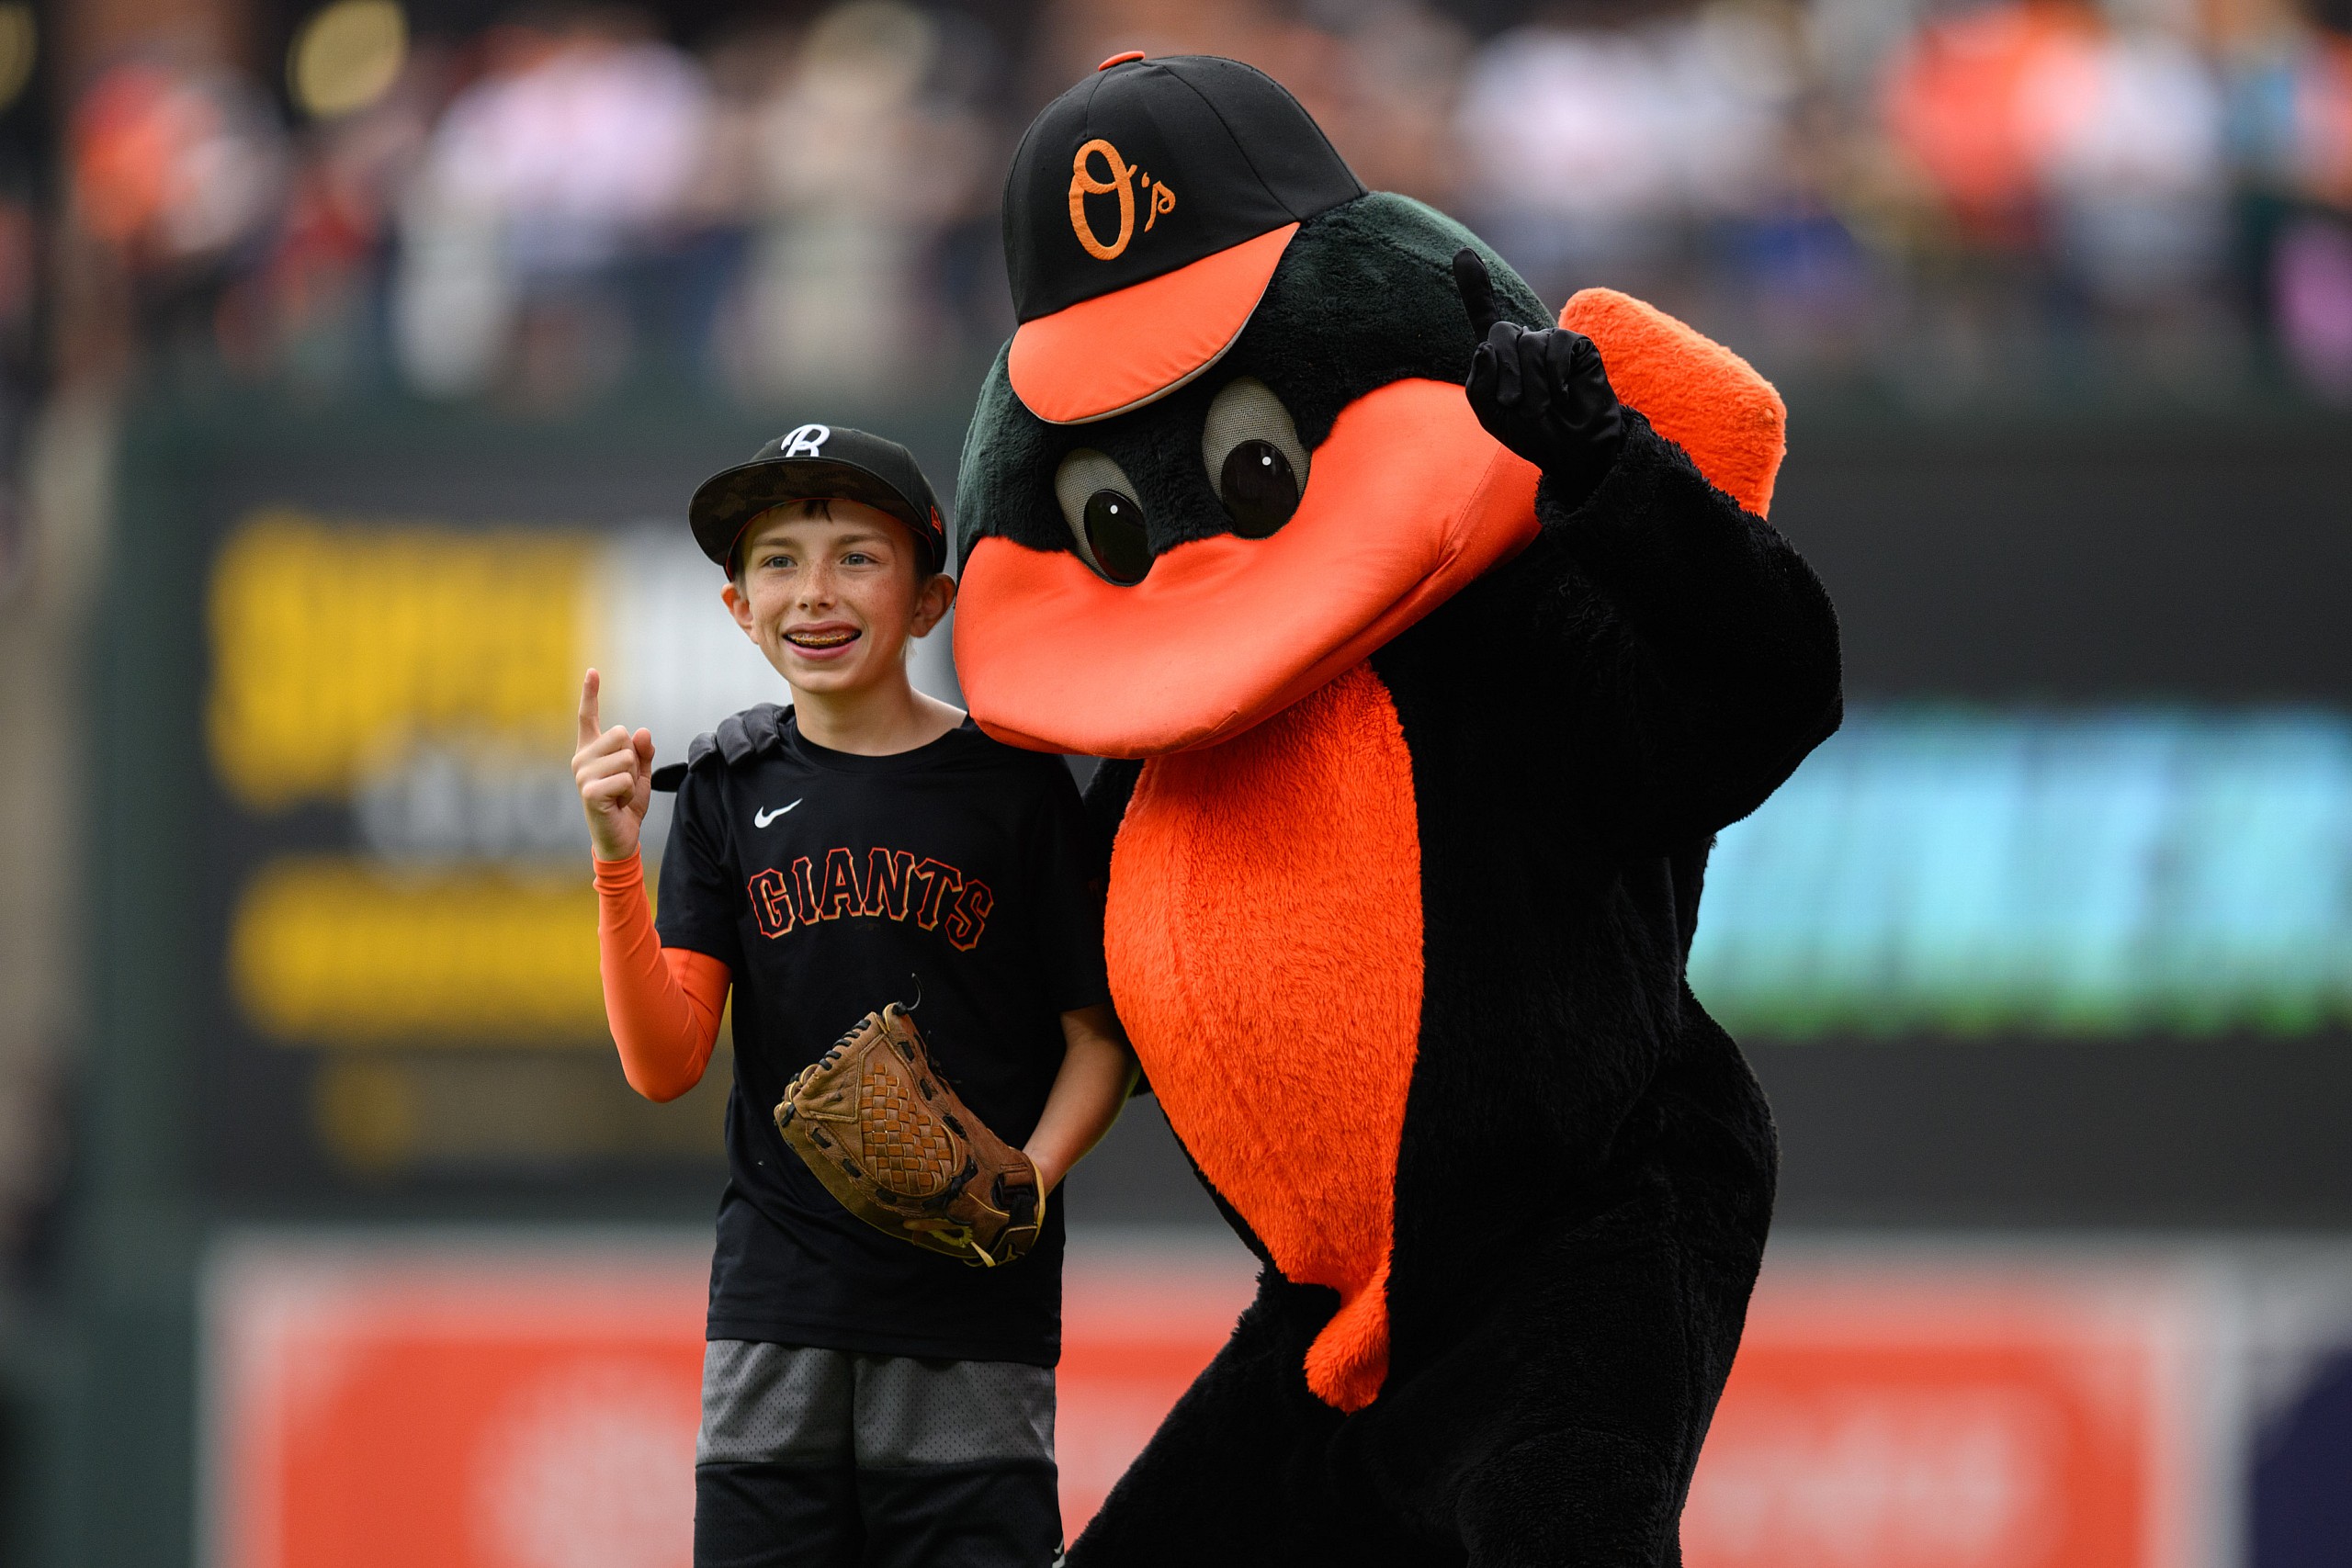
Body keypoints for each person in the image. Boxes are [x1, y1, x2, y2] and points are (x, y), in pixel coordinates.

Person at [571, 422, 1136, 1568]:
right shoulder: (726, 788)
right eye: (776, 559)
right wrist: (616, 856)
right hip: (778, 1320)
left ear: (930, 602)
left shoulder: (1016, 785)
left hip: (972, 1323)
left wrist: (1028, 1176)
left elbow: (1099, 1041)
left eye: (855, 557)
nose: (812, 592)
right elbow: (664, 1061)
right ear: (738, 608)